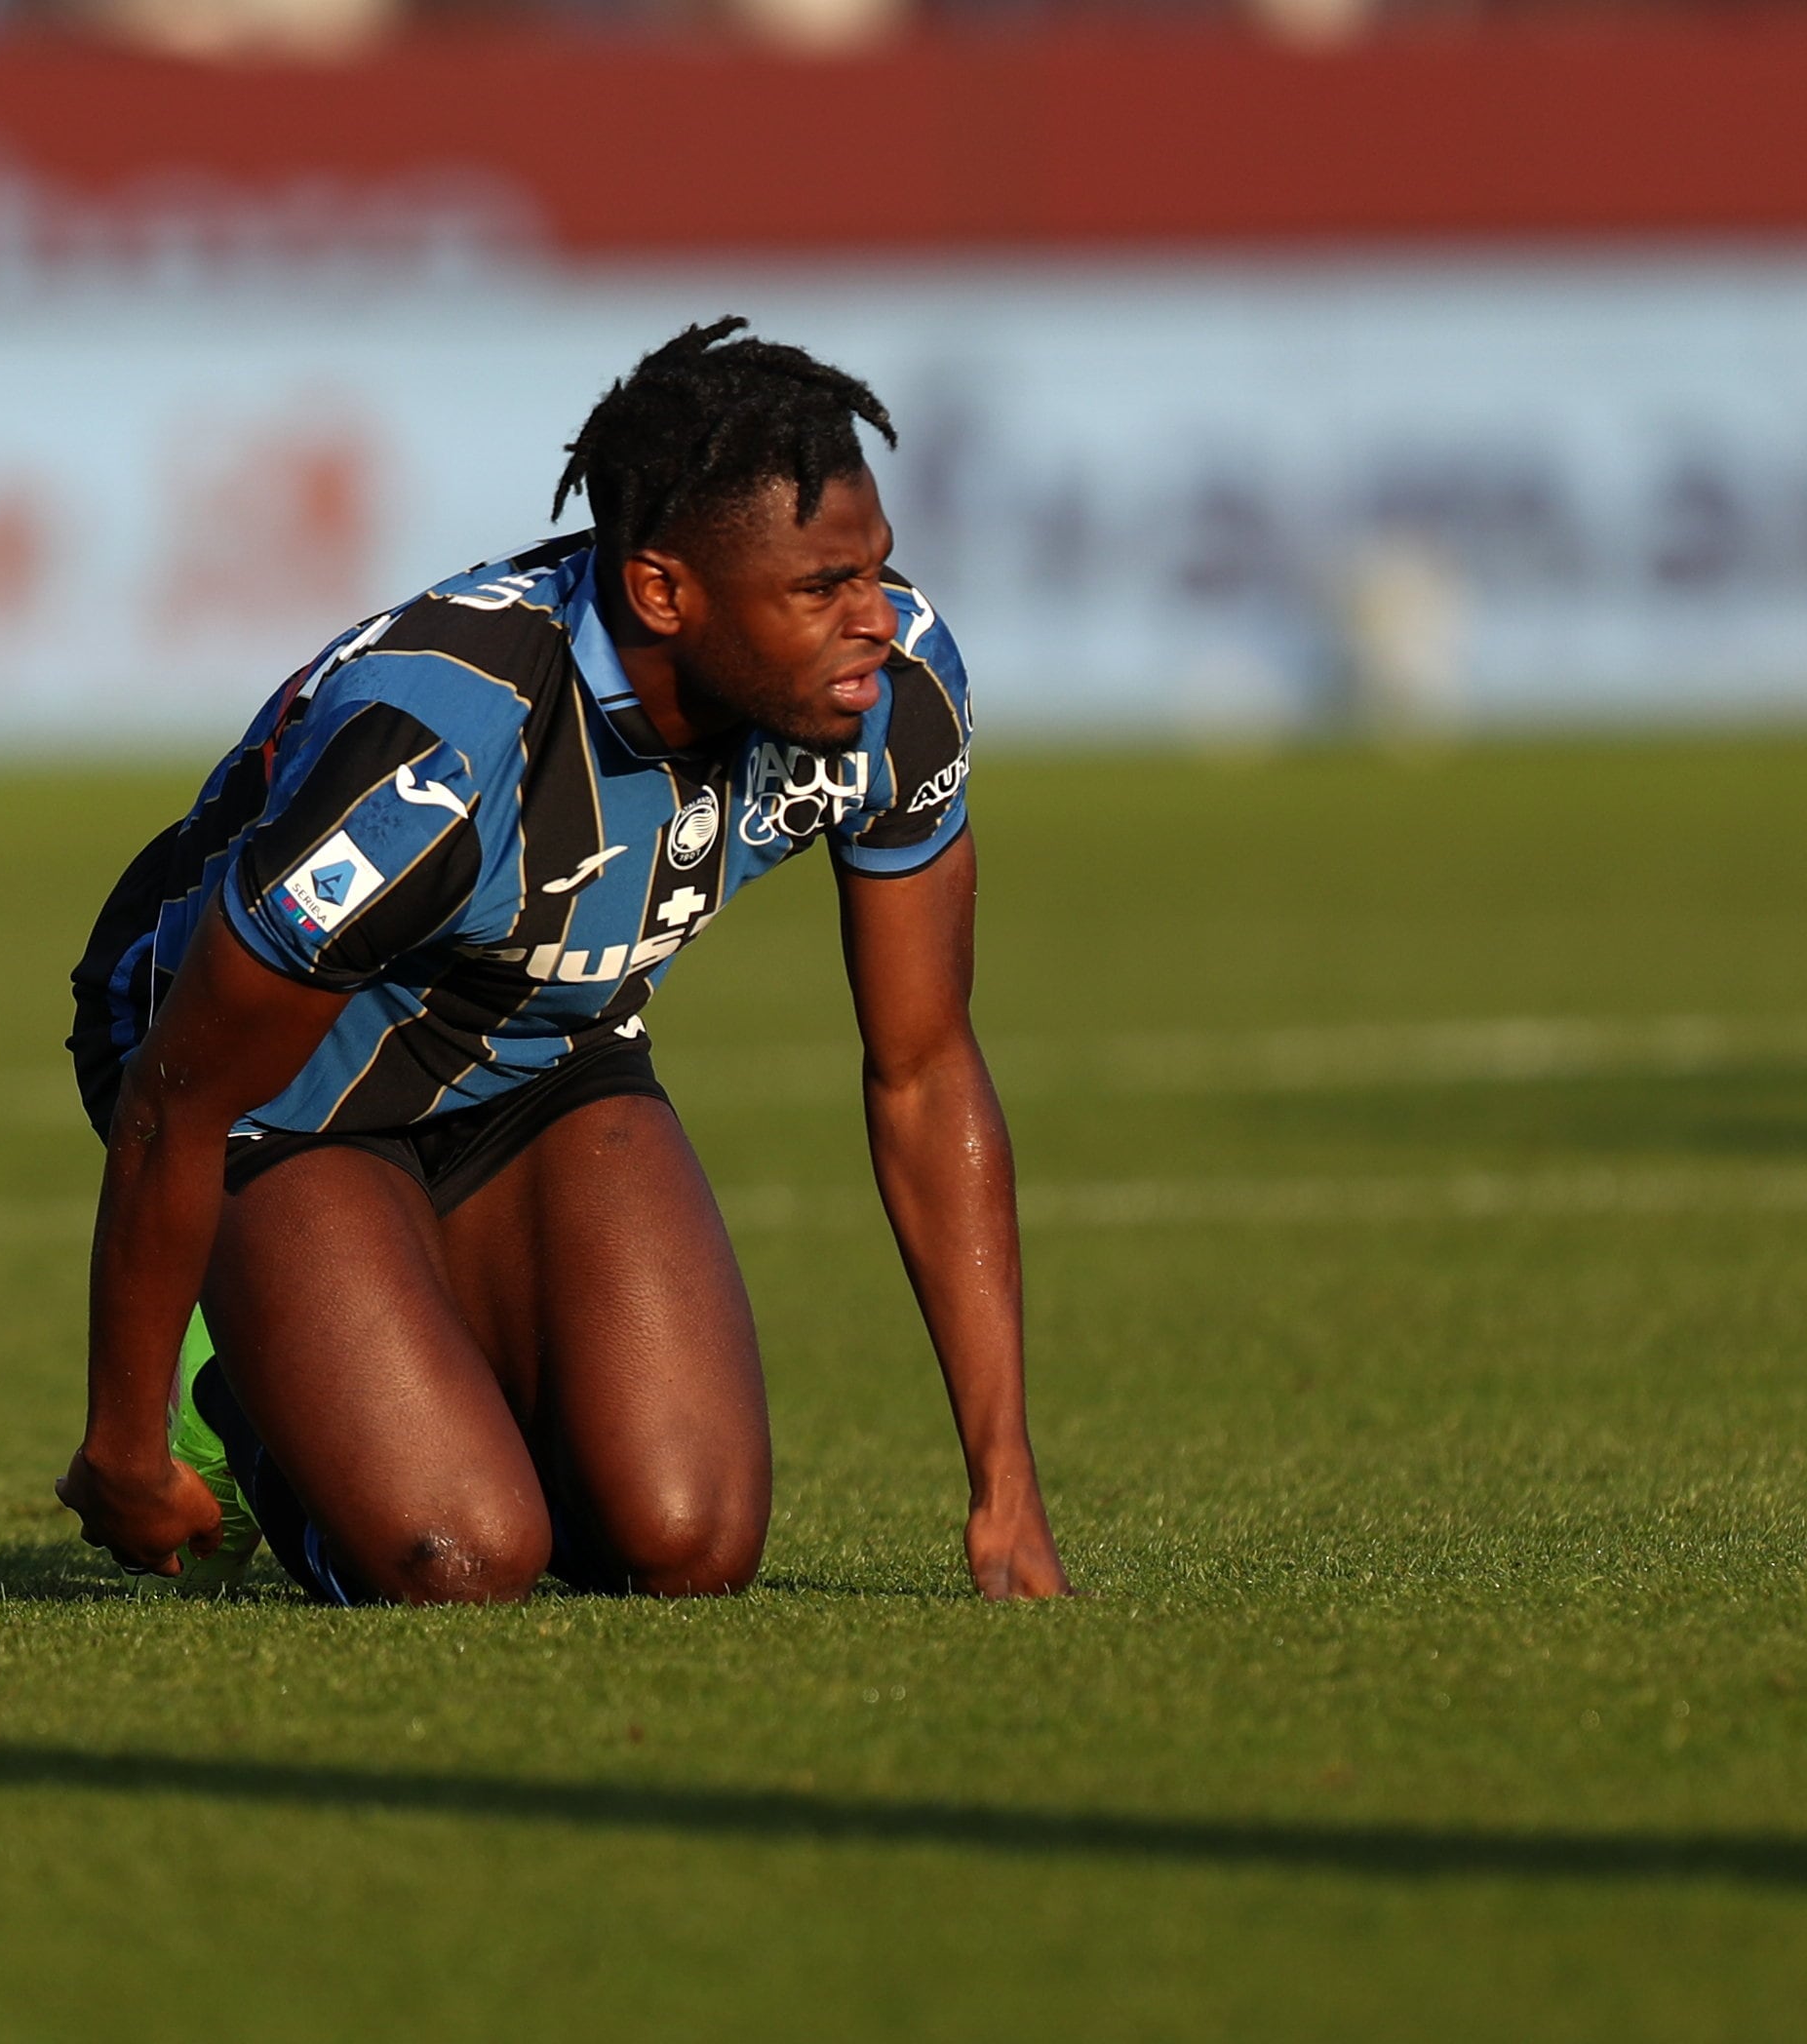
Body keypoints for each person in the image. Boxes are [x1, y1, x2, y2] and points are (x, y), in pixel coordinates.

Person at [57, 318, 1068, 1605]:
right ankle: (242, 1400)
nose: (876, 619)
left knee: (688, 1544)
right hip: (274, 1098)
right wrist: (124, 1451)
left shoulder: (896, 687)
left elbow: (922, 1067)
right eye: (822, 590)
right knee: (462, 1557)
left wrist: (1004, 1487)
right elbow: (179, 1098)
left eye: (874, 569)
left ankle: (396, 1353)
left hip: (542, 1050)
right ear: (662, 594)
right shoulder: (439, 758)